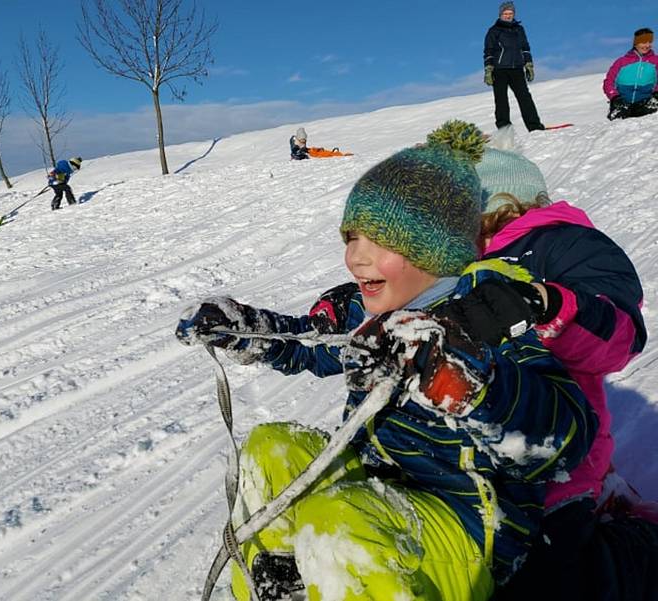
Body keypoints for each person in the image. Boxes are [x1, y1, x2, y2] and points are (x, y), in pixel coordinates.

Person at [176, 122, 596, 601]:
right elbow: (313, 344)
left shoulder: (485, 313)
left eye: (381, 243)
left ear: (435, 249)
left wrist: (473, 385)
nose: (356, 258)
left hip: (469, 526)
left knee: (337, 520)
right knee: (271, 449)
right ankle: (273, 585)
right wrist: (246, 328)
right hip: (381, 483)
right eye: (351, 239)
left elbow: (567, 438)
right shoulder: (374, 311)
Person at [434, 142, 658, 600]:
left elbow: (620, 337)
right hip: (470, 457)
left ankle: (635, 552)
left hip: (555, 458)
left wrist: (546, 304)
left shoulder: (560, 242)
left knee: (550, 577)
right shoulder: (454, 266)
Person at [484, 2, 545, 132]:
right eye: (505, 13)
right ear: (500, 14)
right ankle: (504, 129)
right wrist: (488, 69)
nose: (508, 16)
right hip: (499, 70)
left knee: (525, 98)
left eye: (510, 13)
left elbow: (525, 48)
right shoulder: (494, 31)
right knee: (501, 100)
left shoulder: (519, 29)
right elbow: (488, 51)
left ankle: (534, 126)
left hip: (517, 68)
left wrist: (528, 64)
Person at [603, 28, 658, 121]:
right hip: (622, 103)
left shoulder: (656, 61)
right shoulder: (621, 62)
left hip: (645, 103)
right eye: (643, 42)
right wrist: (615, 97)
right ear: (635, 43)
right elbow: (609, 82)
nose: (647, 45)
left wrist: (656, 94)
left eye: (649, 42)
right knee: (620, 124)